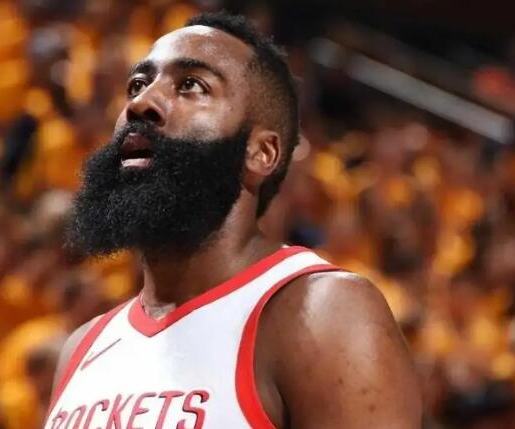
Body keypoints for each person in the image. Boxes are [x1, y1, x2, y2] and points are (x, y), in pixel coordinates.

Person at [47, 11, 421, 429]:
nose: (141, 103)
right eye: (137, 84)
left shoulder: (320, 312)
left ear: (260, 153)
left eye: (192, 85)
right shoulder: (83, 347)